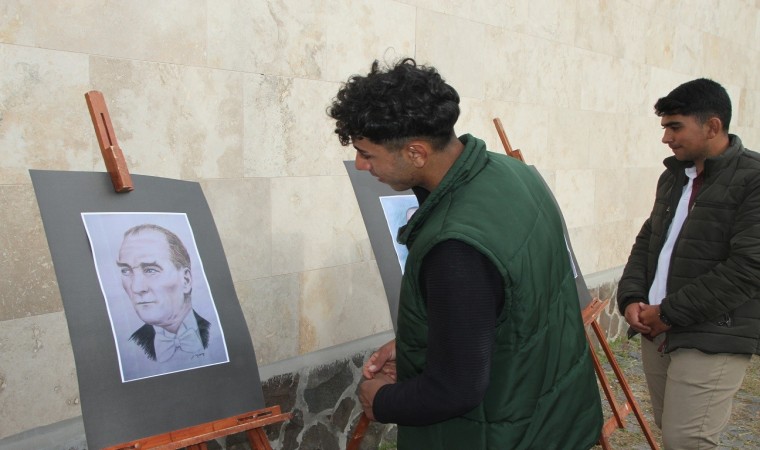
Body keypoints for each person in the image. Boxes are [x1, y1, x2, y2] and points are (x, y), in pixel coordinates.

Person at [328, 58, 602, 449]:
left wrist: (382, 400)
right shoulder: (514, 173)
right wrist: (427, 340)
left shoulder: (455, 245)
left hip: (500, 434)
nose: (359, 164)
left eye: (367, 154)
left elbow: (455, 389)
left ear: (416, 152)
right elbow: (510, 308)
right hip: (553, 418)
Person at [617, 78, 760, 449]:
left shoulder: (754, 179)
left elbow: (749, 267)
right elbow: (648, 241)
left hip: (714, 332)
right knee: (671, 431)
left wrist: (669, 312)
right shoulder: (673, 177)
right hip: (658, 330)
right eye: (665, 127)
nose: (666, 138)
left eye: (675, 127)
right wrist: (631, 297)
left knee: (687, 440)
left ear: (712, 126)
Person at [117, 224, 210, 364]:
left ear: (186, 280)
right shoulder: (132, 346)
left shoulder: (216, 331)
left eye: (150, 270)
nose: (136, 287)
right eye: (126, 271)